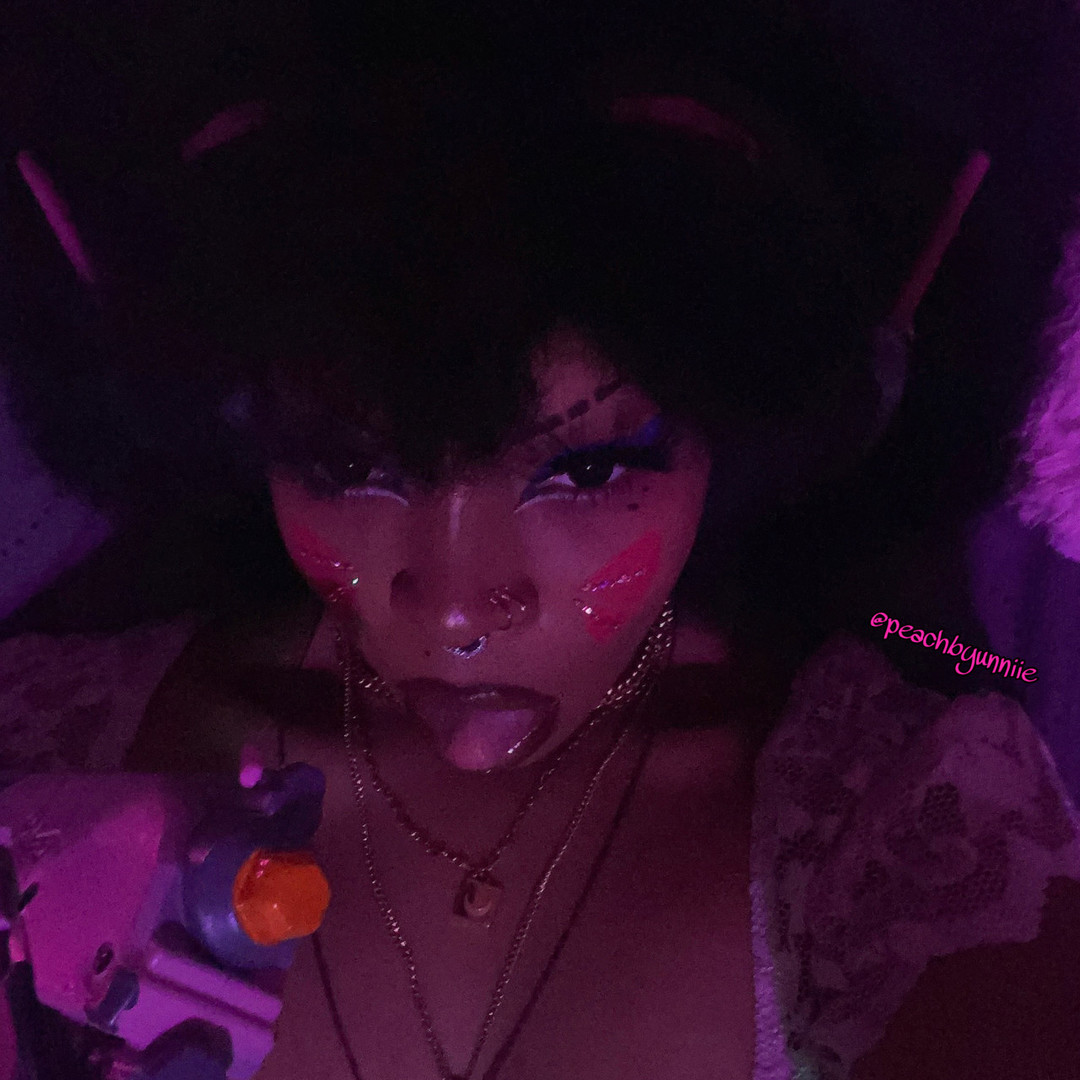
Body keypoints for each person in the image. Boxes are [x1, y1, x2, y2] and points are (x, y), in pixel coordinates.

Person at [8, 46, 1080, 1080]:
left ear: (738, 430)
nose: (457, 607)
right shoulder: (49, 744)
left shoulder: (898, 819)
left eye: (588, 468)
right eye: (346, 464)